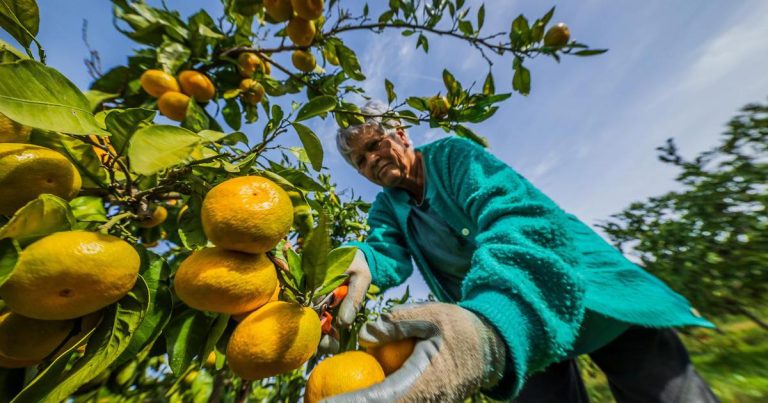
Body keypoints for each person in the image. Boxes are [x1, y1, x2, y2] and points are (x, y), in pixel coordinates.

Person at [321, 100, 720, 403]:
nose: (372, 159)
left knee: (664, 391)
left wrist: (488, 322)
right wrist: (358, 263)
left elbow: (516, 220)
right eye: (361, 159)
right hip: (508, 330)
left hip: (579, 294)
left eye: (376, 144)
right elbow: (382, 250)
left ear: (402, 134)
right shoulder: (388, 207)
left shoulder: (454, 158)